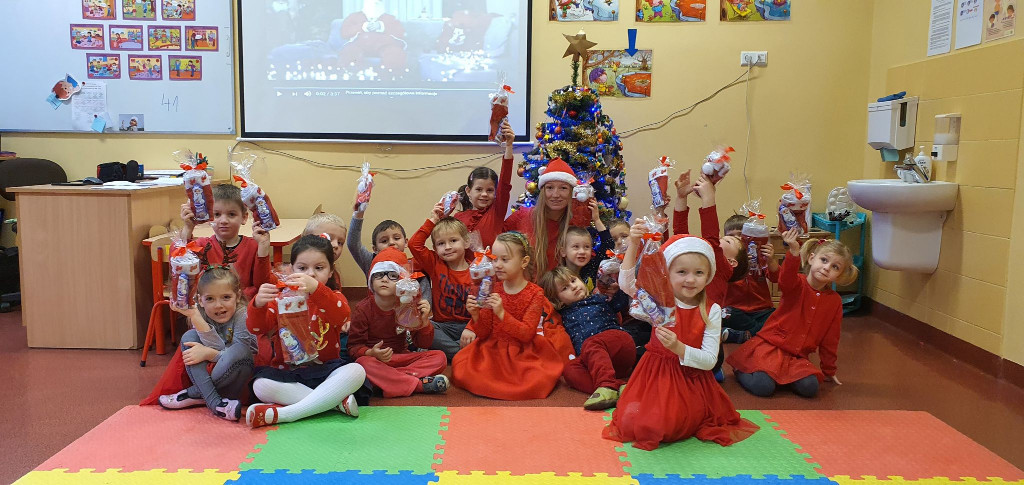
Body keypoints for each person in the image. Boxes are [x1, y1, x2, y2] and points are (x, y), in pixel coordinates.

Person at [604, 228, 758, 450]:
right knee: (632, 422)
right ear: (667, 272)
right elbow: (627, 284)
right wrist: (634, 242)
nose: (690, 279)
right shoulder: (659, 299)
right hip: (655, 376)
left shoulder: (711, 310)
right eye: (682, 272)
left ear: (709, 275)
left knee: (667, 427)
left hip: (691, 380)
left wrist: (679, 347)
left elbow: (709, 360)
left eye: (699, 272)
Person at [245, 235, 365, 427]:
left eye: (319, 268)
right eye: (302, 268)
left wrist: (316, 289)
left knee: (357, 371)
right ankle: (334, 404)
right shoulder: (281, 300)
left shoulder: (334, 297)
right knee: (260, 385)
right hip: (289, 374)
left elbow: (341, 316)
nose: (310, 274)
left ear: (331, 272)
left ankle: (286, 414)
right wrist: (258, 304)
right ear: (291, 270)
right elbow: (257, 328)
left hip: (327, 371)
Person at [727, 229, 857, 398]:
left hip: (796, 357)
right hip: (770, 348)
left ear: (838, 275)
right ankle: (742, 369)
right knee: (763, 387)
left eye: (835, 267)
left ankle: (781, 377)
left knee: (810, 388)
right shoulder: (797, 284)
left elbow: (831, 339)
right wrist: (794, 252)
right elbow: (785, 279)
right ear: (811, 258)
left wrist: (829, 370)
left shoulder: (835, 302)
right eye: (824, 260)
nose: (826, 268)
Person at [452, 232, 564, 400]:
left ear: (524, 262)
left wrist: (502, 313)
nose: (497, 265)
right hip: (492, 349)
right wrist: (475, 314)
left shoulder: (535, 293)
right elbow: (483, 333)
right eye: (495, 259)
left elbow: (526, 334)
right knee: (466, 371)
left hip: (522, 352)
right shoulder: (493, 287)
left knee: (536, 380)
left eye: (505, 260)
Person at [157, 267, 256, 421]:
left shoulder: (242, 314)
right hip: (213, 376)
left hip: (240, 378)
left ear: (237, 296)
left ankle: (194, 394)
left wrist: (210, 354)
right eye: (210, 299)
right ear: (200, 300)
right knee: (189, 336)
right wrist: (195, 316)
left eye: (226, 297)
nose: (218, 305)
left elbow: (235, 355)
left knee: (239, 350)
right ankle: (216, 404)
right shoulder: (201, 313)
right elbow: (210, 349)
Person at [348, 248, 449, 397]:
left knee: (440, 357)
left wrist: (425, 321)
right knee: (362, 364)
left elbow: (423, 344)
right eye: (379, 274)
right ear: (371, 280)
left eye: (392, 275)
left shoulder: (407, 306)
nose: (384, 279)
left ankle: (390, 380)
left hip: (401, 358)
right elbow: (353, 347)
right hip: (375, 360)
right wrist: (371, 353)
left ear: (402, 282)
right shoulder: (363, 309)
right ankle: (418, 385)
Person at [540, 266, 633, 410]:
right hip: (596, 364)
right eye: (564, 288)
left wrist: (616, 290)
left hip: (618, 342)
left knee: (591, 343)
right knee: (569, 370)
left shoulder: (599, 298)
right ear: (558, 301)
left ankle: (607, 385)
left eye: (573, 280)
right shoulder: (562, 315)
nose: (573, 287)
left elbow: (621, 303)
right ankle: (618, 387)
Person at [504, 158, 592, 278]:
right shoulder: (523, 216)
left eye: (563, 188)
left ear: (571, 192)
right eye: (550, 188)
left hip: (559, 288)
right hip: (526, 287)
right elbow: (498, 244)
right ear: (543, 191)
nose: (555, 195)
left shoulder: (575, 223)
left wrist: (597, 221)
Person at [181, 184, 271, 300]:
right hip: (209, 307)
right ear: (209, 216)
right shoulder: (201, 246)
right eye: (217, 214)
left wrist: (263, 247)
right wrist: (188, 228)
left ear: (244, 217)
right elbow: (180, 266)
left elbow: (262, 286)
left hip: (243, 306)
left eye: (231, 214)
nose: (223, 220)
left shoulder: (253, 246)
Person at [409, 208, 474, 362]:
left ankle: (455, 353)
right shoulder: (435, 264)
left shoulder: (477, 270)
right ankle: (465, 354)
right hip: (443, 326)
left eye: (453, 241)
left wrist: (472, 328)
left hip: (470, 325)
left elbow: (484, 310)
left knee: (490, 331)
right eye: (441, 243)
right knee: (427, 328)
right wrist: (433, 220)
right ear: (435, 248)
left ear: (466, 242)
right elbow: (414, 244)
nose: (448, 247)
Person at [454, 120, 515, 248]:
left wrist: (509, 145)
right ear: (468, 191)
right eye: (479, 189)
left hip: (493, 261)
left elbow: (505, 183)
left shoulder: (496, 212)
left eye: (490, 190)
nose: (484, 194)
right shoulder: (458, 218)